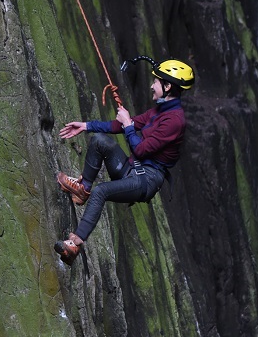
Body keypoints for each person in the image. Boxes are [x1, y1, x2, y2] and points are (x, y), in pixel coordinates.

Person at [54, 59, 195, 265]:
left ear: (167, 87)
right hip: (131, 169)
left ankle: (75, 243)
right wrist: (86, 125)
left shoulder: (174, 121)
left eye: (155, 82)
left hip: (145, 180)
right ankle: (82, 189)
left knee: (101, 191)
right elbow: (120, 126)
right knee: (99, 141)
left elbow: (140, 148)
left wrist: (128, 123)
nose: (151, 86)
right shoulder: (160, 111)